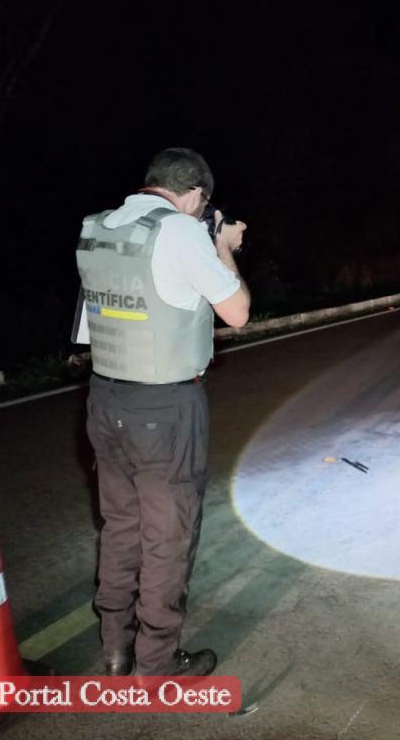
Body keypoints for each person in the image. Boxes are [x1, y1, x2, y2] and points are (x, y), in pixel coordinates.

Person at [76, 148, 250, 678]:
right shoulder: (180, 231)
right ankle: (156, 661)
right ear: (194, 193)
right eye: (203, 204)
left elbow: (89, 325)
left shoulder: (99, 226)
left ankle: (115, 650)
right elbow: (237, 312)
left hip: (105, 399)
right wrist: (223, 247)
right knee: (167, 536)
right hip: (164, 408)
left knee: (122, 527)